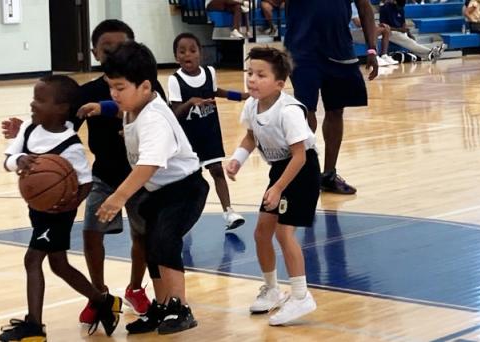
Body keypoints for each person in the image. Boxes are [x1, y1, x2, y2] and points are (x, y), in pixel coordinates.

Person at [1, 19, 164, 324]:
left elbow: (162, 125)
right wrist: (25, 130)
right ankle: (99, 293)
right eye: (107, 48)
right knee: (91, 234)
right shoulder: (85, 91)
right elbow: (59, 125)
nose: (114, 52)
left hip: (140, 175)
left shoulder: (146, 87)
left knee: (142, 236)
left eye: (121, 46)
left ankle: (134, 289)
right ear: (94, 53)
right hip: (103, 174)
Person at [88, 41, 209, 334]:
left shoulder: (154, 118)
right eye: (110, 87)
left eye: (119, 88)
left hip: (184, 190)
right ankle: (163, 305)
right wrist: (103, 107)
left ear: (144, 87)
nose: (113, 94)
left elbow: (149, 165)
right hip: (160, 192)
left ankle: (180, 308)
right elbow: (120, 111)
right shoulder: (135, 106)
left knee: (165, 242)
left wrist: (118, 197)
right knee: (152, 247)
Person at [0, 75, 122, 341]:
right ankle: (102, 301)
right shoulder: (28, 129)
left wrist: (70, 203)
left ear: (62, 108)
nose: (33, 104)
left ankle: (34, 327)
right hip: (37, 208)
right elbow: (7, 160)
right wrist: (20, 160)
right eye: (34, 98)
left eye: (40, 100)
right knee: (59, 264)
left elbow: (86, 183)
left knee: (32, 259)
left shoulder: (71, 145)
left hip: (57, 214)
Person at [226, 46, 321, 326]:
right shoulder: (253, 104)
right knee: (261, 233)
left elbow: (300, 156)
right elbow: (251, 137)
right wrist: (237, 160)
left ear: (280, 83)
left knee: (283, 234)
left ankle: (301, 296)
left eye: (260, 75)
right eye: (249, 73)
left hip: (301, 170)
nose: (252, 80)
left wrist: (278, 188)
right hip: (281, 169)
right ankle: (272, 289)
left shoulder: (289, 111)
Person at [284, 0, 380, 195]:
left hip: (339, 48)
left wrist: (371, 48)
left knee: (336, 110)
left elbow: (364, 8)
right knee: (305, 110)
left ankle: (328, 175)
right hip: (302, 49)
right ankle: (305, 173)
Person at [168, 32, 249, 230]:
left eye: (192, 50)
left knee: (217, 172)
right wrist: (190, 103)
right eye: (182, 51)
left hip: (210, 132)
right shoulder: (174, 80)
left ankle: (229, 213)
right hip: (188, 139)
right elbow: (174, 113)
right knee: (189, 181)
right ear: (176, 56)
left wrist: (241, 96)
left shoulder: (209, 72)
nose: (188, 54)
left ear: (200, 54)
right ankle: (181, 217)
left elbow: (216, 92)